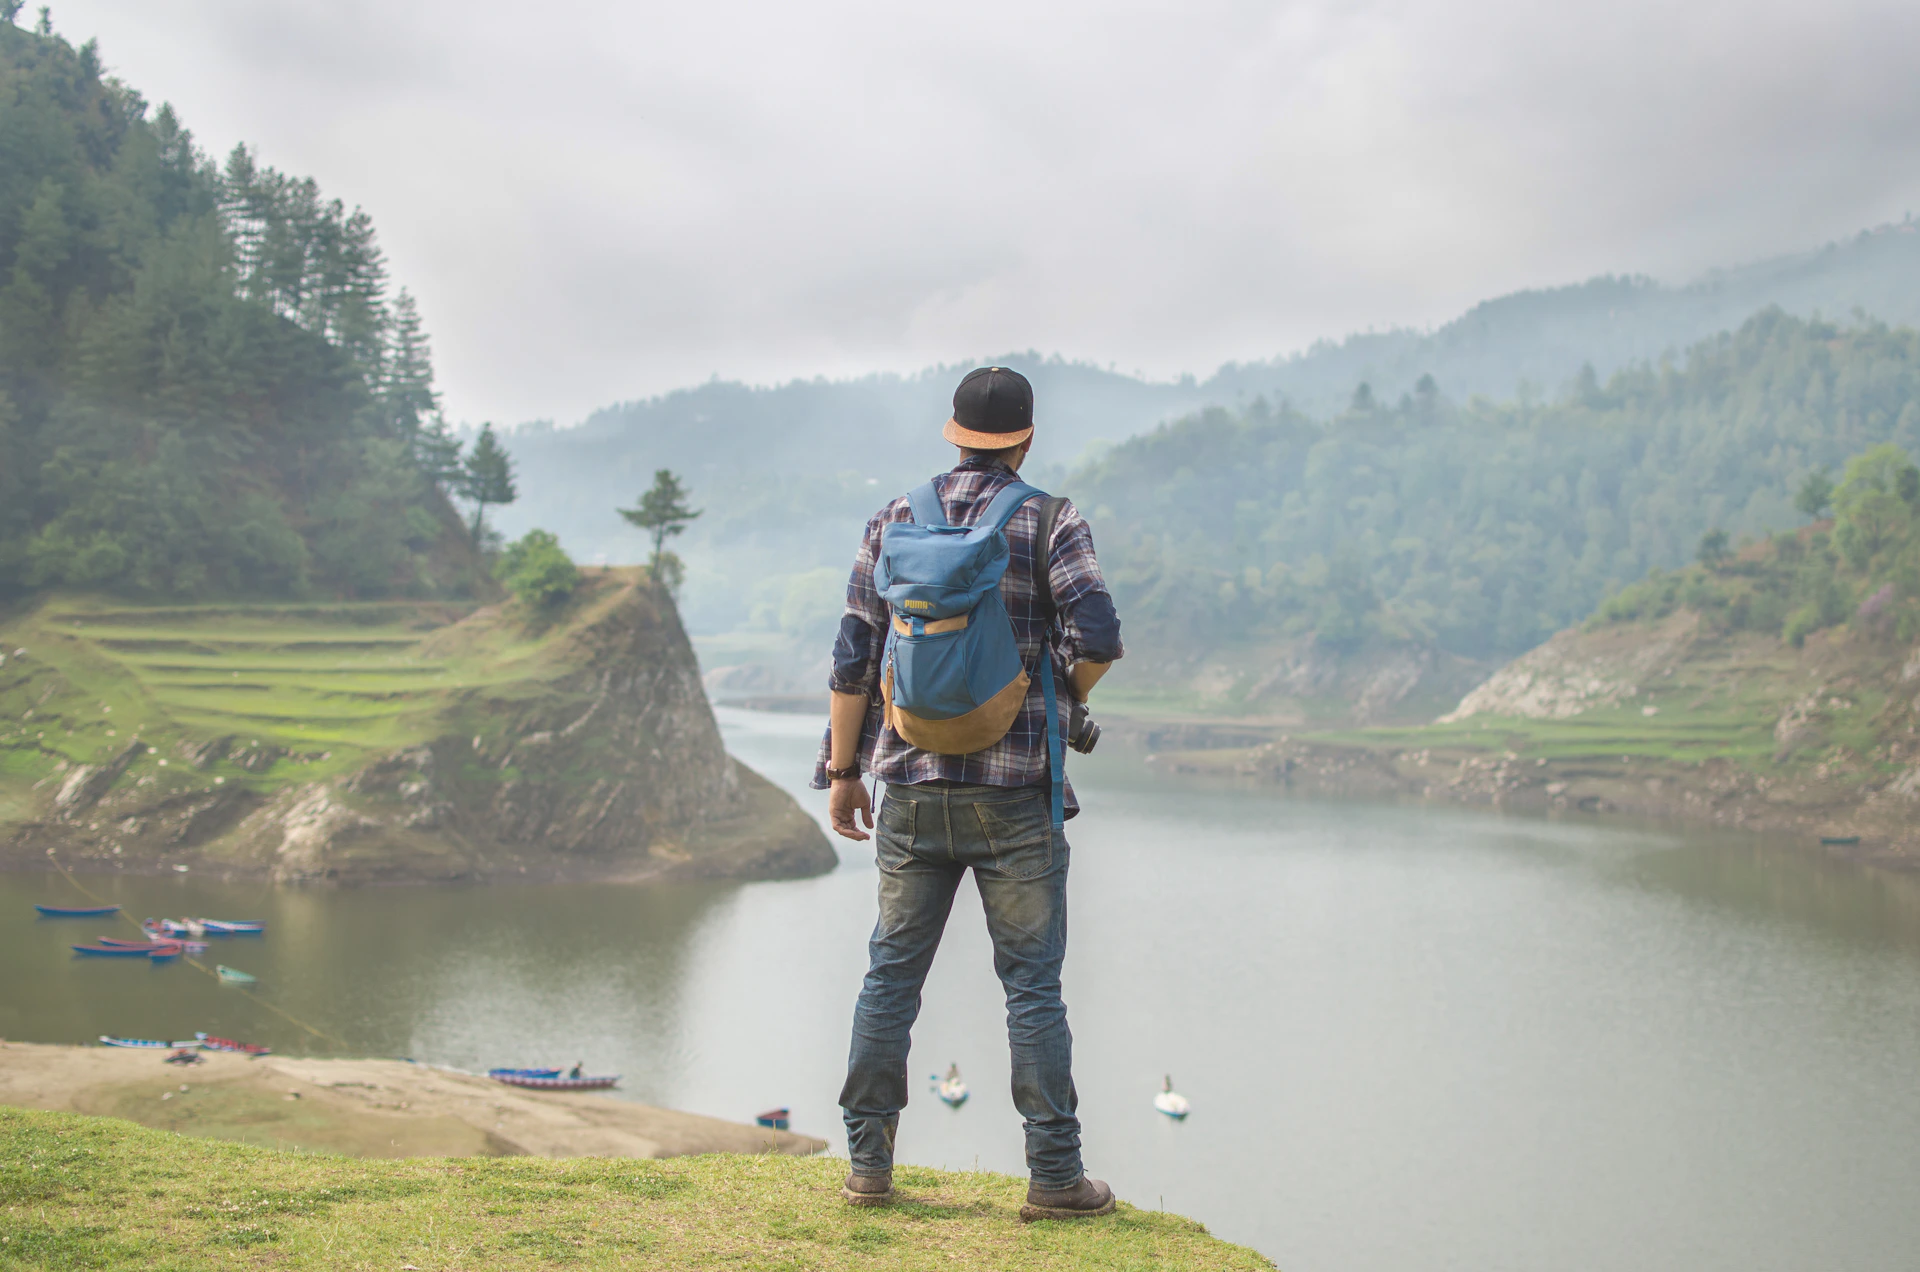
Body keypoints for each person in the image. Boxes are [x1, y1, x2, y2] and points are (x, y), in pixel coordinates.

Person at [814, 365, 1124, 1221]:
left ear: (952, 431)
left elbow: (852, 655)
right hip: (1018, 793)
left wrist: (844, 776)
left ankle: (869, 1167)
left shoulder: (895, 519)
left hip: (910, 787)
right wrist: (1064, 694)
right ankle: (1056, 1180)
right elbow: (1100, 634)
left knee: (890, 976)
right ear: (1025, 438)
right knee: (1031, 986)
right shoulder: (1052, 521)